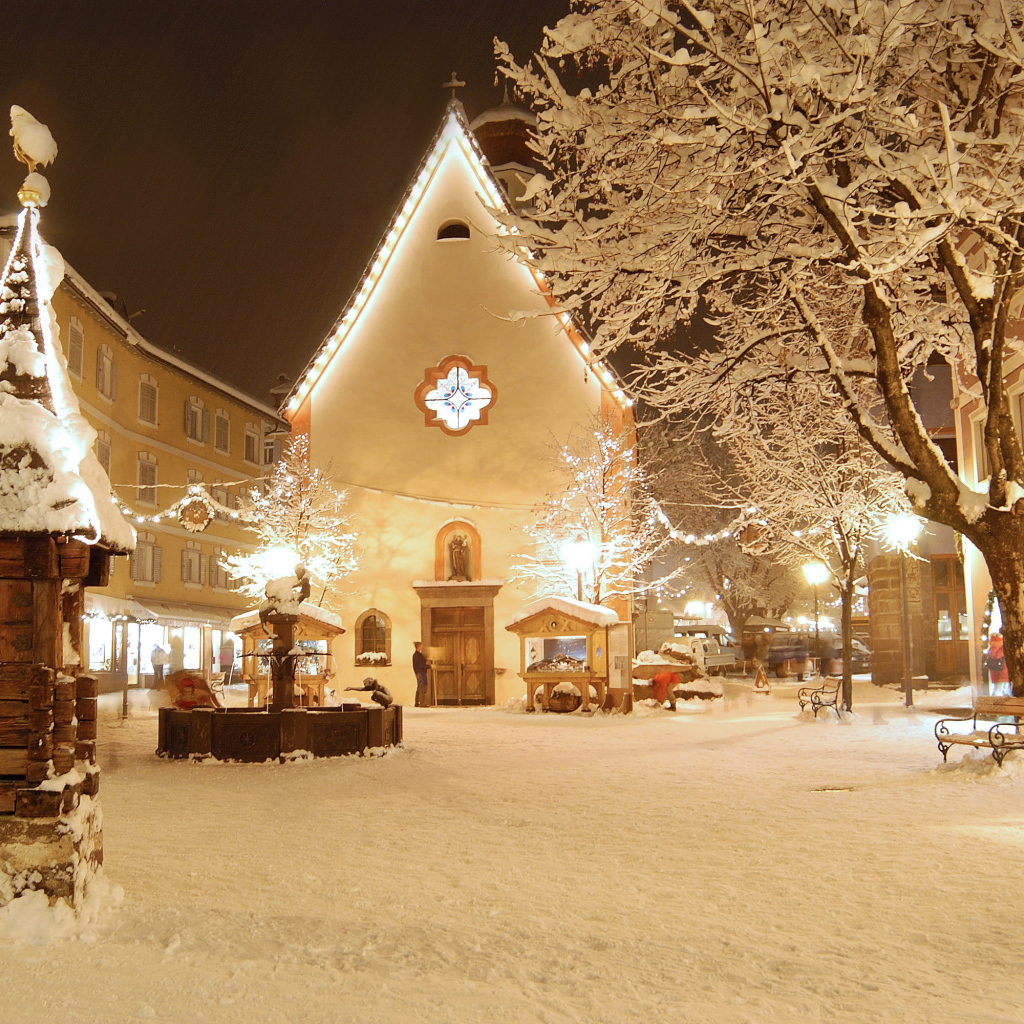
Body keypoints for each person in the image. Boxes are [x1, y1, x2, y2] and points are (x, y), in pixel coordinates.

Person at [413, 641, 429, 707]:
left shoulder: (416, 655)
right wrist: (430, 666)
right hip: (421, 673)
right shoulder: (418, 655)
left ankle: (417, 702)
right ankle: (422, 703)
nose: (422, 647)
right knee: (422, 687)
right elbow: (421, 665)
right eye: (421, 646)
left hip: (418, 672)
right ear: (418, 646)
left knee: (419, 687)